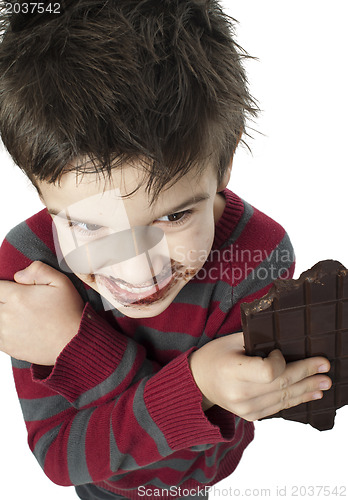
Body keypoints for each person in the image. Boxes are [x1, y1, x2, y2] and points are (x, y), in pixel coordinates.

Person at [0, 1, 332, 499]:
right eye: (90, 224)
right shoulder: (30, 267)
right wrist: (196, 390)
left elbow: (196, 473)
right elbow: (63, 458)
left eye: (174, 216)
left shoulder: (258, 256)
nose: (138, 271)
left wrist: (74, 344)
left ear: (223, 167)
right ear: (38, 186)